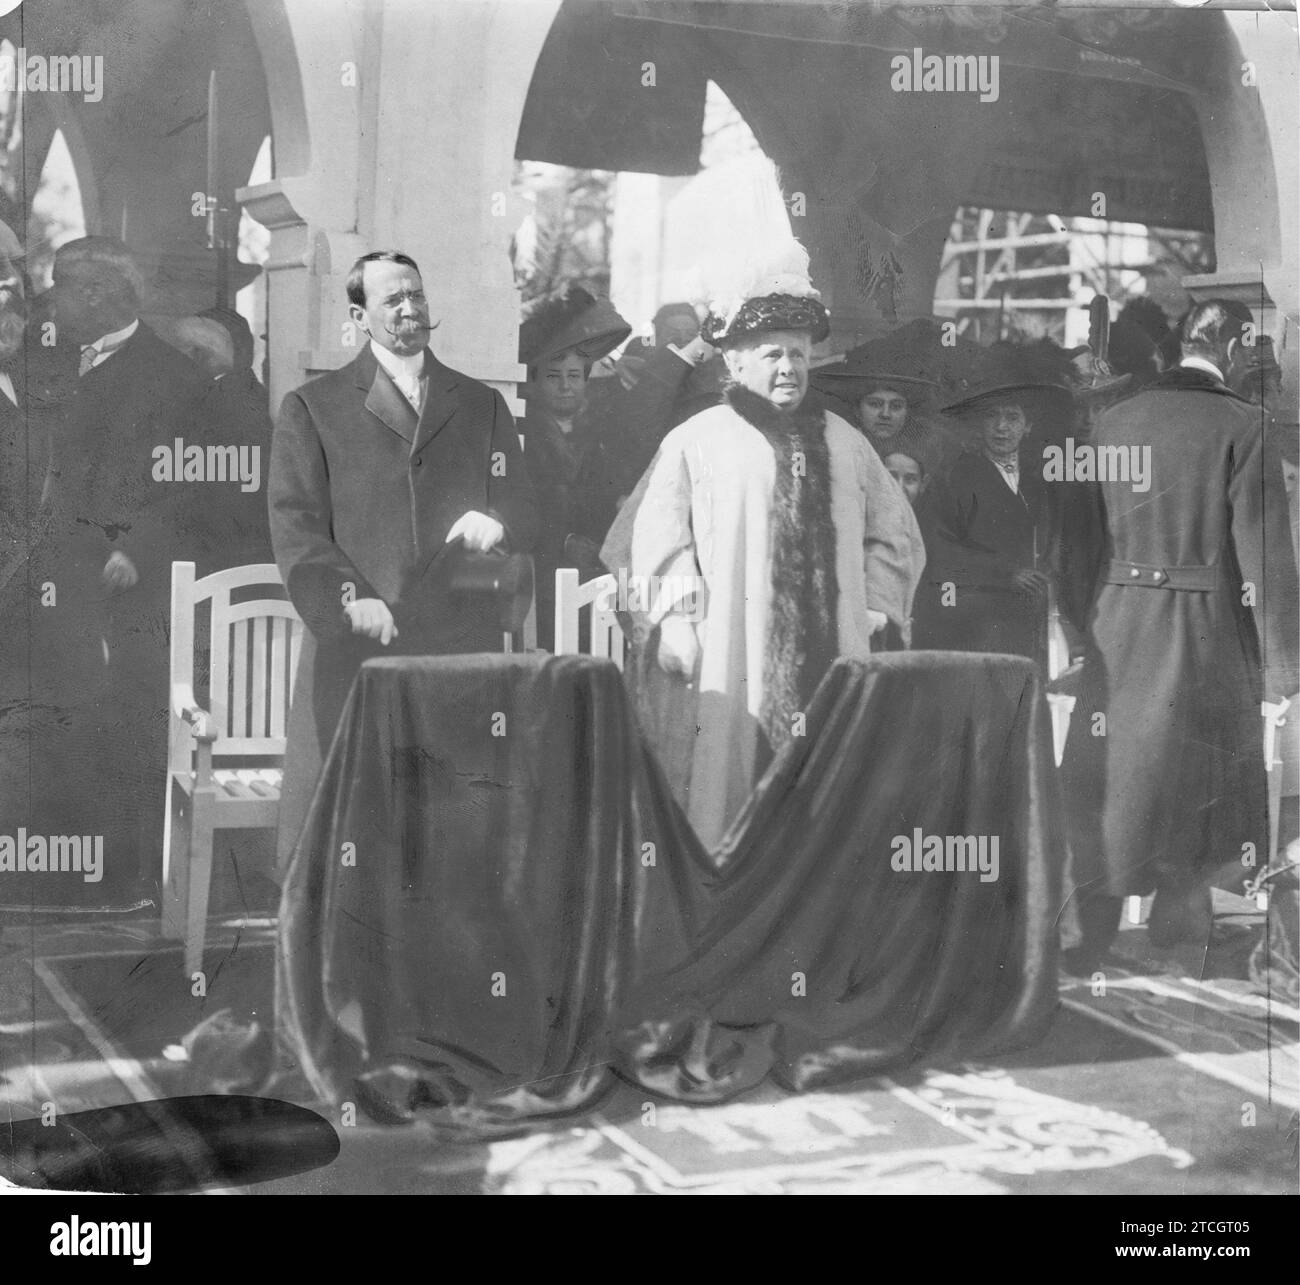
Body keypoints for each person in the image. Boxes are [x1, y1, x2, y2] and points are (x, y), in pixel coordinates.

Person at [601, 240, 925, 851]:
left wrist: (876, 602)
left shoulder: (845, 441)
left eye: (799, 355)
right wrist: (675, 621)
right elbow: (652, 536)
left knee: (827, 808)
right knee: (729, 798)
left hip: (834, 652)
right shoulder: (698, 439)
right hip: (732, 654)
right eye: (774, 354)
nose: (789, 368)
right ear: (737, 363)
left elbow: (894, 530)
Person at [269, 249, 537, 869]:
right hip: (360, 642)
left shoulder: (481, 405)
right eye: (392, 299)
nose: (410, 308)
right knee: (352, 828)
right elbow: (297, 525)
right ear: (359, 315)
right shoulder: (314, 408)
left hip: (456, 642)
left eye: (415, 294)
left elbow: (524, 508)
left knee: (450, 821)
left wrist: (497, 521)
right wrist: (346, 598)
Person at [1060, 300, 1300, 968]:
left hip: (1118, 624)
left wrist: (1082, 628)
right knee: (1197, 786)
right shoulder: (1243, 423)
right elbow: (1264, 555)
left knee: (1112, 778)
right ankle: (1177, 939)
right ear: (1228, 352)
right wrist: (1284, 669)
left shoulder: (1110, 420)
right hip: (1204, 628)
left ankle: (1083, 940)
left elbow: (1075, 544)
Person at [46, 236, 213, 898]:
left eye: (70, 285)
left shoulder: (178, 379)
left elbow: (199, 487)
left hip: (130, 586)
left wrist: (135, 549)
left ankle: (127, 877)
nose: (55, 298)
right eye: (58, 284)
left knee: (124, 722)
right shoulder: (46, 362)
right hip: (48, 580)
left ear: (107, 293)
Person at [911, 352, 1074, 671]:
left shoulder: (1039, 482)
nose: (1001, 428)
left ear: (1028, 426)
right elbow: (936, 547)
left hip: (1027, 619)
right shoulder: (955, 478)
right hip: (971, 621)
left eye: (1012, 417)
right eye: (992, 416)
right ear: (979, 422)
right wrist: (1006, 574)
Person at [516, 286, 629, 647]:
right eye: (553, 376)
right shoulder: (523, 437)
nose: (565, 386)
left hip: (596, 581)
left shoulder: (603, 437)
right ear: (535, 383)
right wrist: (561, 541)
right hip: (541, 580)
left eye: (574, 376)